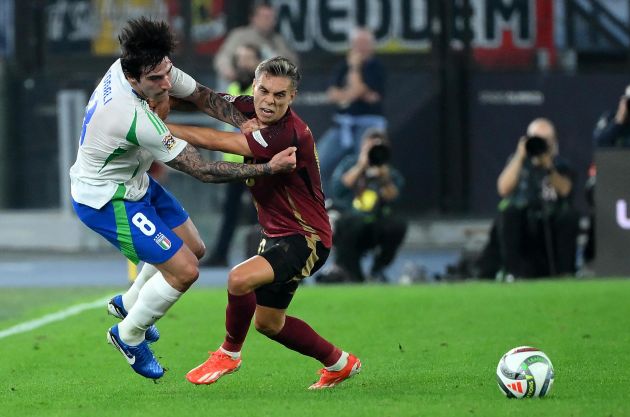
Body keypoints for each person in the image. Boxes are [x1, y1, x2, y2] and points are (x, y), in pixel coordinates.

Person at [69, 18, 296, 380]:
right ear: (132, 79)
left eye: (166, 73)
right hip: (107, 199)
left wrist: (243, 122)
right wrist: (267, 169)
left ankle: (128, 305)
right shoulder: (131, 116)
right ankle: (128, 335)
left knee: (195, 247)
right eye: (156, 81)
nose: (165, 84)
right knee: (185, 270)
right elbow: (202, 170)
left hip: (134, 181)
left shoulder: (147, 65)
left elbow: (202, 95)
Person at [167, 56, 362, 389]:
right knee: (269, 323)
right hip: (278, 236)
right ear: (254, 87)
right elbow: (206, 99)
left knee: (238, 279)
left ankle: (228, 353)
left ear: (292, 98)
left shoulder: (287, 134)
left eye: (280, 95)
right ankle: (340, 363)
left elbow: (219, 141)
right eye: (264, 91)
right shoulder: (252, 107)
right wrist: (157, 101)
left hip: (306, 239)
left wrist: (156, 128)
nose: (269, 101)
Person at [494, 118, 579, 279]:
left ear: (553, 142)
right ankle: (512, 272)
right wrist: (519, 156)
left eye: (545, 140)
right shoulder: (518, 164)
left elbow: (565, 190)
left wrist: (548, 165)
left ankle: (565, 273)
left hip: (553, 219)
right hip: (524, 221)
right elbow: (503, 189)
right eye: (536, 139)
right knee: (508, 211)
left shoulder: (561, 165)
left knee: (569, 216)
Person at [202, 44, 263, 267]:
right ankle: (221, 254)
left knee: (264, 210)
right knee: (230, 212)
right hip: (235, 160)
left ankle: (269, 253)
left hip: (256, 159)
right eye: (240, 58)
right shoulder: (235, 86)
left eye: (248, 58)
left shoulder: (262, 90)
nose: (243, 63)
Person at [321, 129, 407, 283]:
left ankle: (377, 269)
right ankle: (353, 274)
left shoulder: (388, 171)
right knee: (346, 224)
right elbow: (339, 188)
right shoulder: (350, 163)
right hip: (350, 220)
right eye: (370, 146)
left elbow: (394, 197)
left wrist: (384, 177)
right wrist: (361, 165)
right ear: (362, 147)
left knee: (397, 225)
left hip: (377, 222)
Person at [316, 27, 387, 192]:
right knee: (317, 162)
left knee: (366, 165)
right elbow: (332, 94)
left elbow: (360, 92)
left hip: (368, 125)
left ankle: (364, 207)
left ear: (372, 45)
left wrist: (355, 68)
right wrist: (354, 93)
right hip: (343, 125)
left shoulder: (376, 67)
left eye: (365, 43)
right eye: (357, 43)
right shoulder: (342, 66)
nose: (361, 47)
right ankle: (327, 205)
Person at [213, 3, 298, 91]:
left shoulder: (278, 41)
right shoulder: (239, 35)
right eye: (266, 17)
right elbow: (223, 58)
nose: (270, 21)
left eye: (273, 18)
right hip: (238, 84)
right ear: (254, 18)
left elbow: (292, 65)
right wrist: (230, 72)